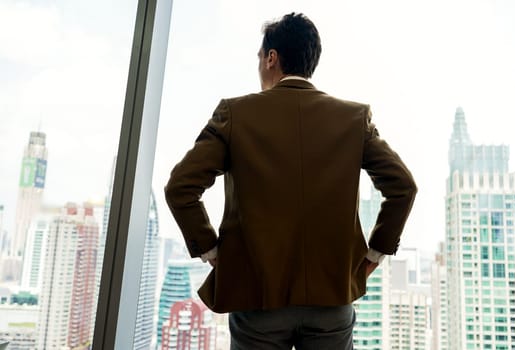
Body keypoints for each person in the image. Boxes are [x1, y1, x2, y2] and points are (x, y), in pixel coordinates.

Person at [164, 12, 416, 350]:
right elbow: (403, 186)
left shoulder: (235, 114)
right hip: (332, 302)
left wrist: (211, 251)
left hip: (258, 303)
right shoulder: (353, 118)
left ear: (272, 58)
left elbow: (180, 187)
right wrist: (373, 256)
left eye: (259, 58)